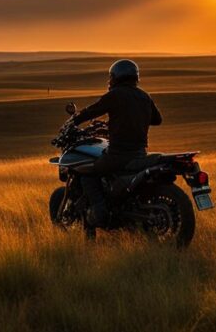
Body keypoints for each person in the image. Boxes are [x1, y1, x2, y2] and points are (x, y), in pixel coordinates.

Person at [69, 59, 162, 227]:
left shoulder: (115, 95)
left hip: (118, 155)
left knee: (86, 173)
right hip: (140, 153)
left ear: (115, 77)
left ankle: (100, 213)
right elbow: (157, 120)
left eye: (111, 77)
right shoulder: (144, 96)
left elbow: (93, 110)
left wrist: (74, 121)